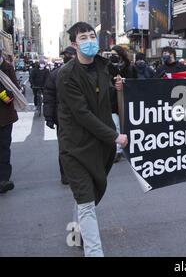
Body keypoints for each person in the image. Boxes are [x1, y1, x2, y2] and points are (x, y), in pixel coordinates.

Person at [56, 22, 128, 257]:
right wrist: (115, 136)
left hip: (100, 148)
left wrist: (119, 89)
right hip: (76, 149)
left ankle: (75, 234)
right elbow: (83, 115)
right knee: (87, 203)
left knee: (88, 196)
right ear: (74, 44)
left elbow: (107, 106)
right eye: (84, 37)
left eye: (92, 36)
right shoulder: (66, 75)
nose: (90, 40)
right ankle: (94, 252)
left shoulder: (103, 68)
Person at [43, 47, 76, 185]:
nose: (69, 57)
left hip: (81, 117)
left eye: (71, 55)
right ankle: (66, 175)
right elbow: (49, 96)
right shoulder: (55, 74)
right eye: (67, 55)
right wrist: (49, 117)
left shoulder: (83, 72)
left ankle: (76, 173)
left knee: (78, 147)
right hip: (62, 117)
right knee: (65, 147)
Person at [108, 45, 137, 163]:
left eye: (114, 54)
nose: (112, 57)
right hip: (113, 103)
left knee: (126, 126)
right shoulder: (107, 67)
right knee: (116, 126)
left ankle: (127, 148)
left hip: (127, 101)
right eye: (110, 54)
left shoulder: (130, 68)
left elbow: (135, 83)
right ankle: (118, 151)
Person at [0, 51, 20, 194]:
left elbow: (14, 91)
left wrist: (3, 93)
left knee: (3, 147)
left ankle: (3, 179)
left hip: (4, 117)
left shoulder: (7, 68)